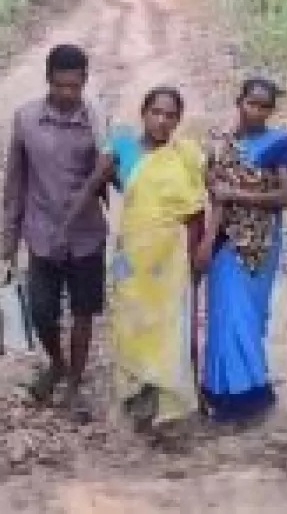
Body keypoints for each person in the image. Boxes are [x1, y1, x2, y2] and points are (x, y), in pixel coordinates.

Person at [64, 86, 212, 439]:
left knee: (171, 326)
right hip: (132, 253)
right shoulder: (122, 147)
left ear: (178, 120)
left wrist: (198, 254)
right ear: (143, 113)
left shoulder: (186, 155)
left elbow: (196, 211)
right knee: (129, 322)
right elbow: (96, 184)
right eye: (156, 112)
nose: (162, 121)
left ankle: (170, 405)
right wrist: (65, 228)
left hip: (171, 256)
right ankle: (136, 392)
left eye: (170, 115)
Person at [199, 77, 287, 424]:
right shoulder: (223, 144)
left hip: (260, 244)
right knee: (222, 314)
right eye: (252, 103)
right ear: (239, 101)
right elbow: (214, 193)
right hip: (224, 240)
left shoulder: (281, 144)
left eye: (265, 106)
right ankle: (220, 393)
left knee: (243, 314)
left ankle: (250, 396)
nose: (258, 111)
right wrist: (206, 240)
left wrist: (237, 196)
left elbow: (286, 197)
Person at [1, 44, 109, 419]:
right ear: (48, 79)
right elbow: (14, 182)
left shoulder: (97, 120)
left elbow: (112, 171)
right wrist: (9, 240)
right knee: (41, 311)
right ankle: (57, 363)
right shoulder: (26, 119)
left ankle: (76, 382)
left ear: (84, 82)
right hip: (42, 234)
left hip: (86, 235)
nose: (67, 94)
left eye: (75, 87)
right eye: (60, 85)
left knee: (83, 312)